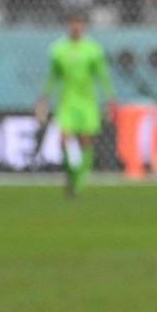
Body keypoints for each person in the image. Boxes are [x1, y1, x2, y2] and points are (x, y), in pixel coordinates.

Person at [36, 14, 115, 197]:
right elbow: (52, 76)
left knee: (85, 140)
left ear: (83, 27)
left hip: (87, 101)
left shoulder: (93, 50)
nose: (76, 28)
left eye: (79, 24)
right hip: (67, 101)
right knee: (63, 139)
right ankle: (71, 176)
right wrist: (44, 97)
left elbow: (102, 75)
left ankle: (78, 182)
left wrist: (109, 97)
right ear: (68, 26)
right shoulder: (58, 50)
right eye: (73, 24)